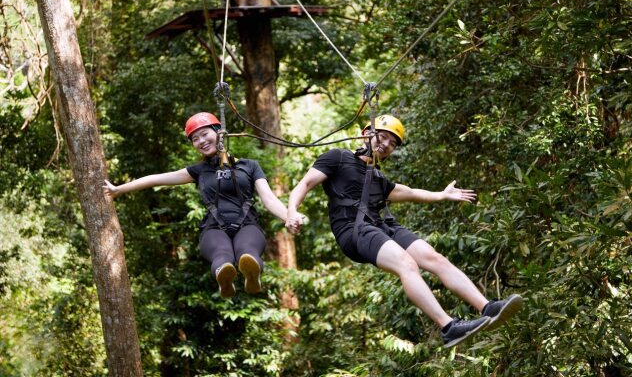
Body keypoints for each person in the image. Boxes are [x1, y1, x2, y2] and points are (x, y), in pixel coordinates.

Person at [286, 114, 523, 348]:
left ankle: (487, 307)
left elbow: (408, 192)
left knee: (434, 258)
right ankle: (449, 327)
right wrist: (292, 211)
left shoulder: (379, 178)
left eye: (393, 143)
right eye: (383, 137)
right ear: (365, 134)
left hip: (380, 225)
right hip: (352, 229)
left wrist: (442, 195)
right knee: (406, 263)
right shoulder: (337, 158)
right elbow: (304, 184)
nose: (387, 145)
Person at [103, 112, 303, 298]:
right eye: (195, 139)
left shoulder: (249, 166)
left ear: (219, 133)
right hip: (213, 227)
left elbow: (268, 199)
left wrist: (288, 217)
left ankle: (252, 274)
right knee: (222, 255)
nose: (201, 141)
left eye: (204, 134)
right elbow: (156, 179)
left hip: (247, 224)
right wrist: (119, 189)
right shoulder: (198, 170)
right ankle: (224, 278)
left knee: (247, 251)